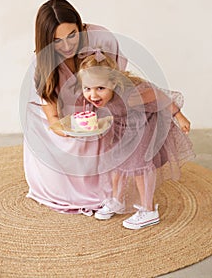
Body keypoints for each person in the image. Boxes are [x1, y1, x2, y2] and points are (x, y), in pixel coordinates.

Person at [22, 0, 127, 215]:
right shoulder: (41, 61)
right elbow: (48, 101)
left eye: (72, 35)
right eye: (57, 41)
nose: (67, 45)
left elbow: (116, 79)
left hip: (99, 105)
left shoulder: (101, 39)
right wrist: (57, 125)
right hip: (62, 113)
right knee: (60, 148)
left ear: (80, 27)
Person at [77, 51, 195, 229]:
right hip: (123, 127)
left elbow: (159, 96)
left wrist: (179, 115)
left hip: (143, 126)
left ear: (114, 84)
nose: (93, 95)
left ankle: (149, 210)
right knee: (117, 161)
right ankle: (117, 199)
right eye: (88, 88)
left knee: (139, 165)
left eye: (100, 88)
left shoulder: (131, 94)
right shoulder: (97, 98)